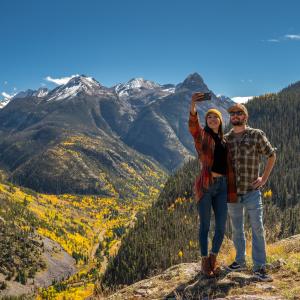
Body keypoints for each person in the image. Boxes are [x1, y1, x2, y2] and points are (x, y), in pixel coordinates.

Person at [224, 103, 276, 282]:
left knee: (257, 228)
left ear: (245, 117)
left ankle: (259, 266)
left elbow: (271, 155)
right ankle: (240, 261)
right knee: (237, 230)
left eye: (239, 113)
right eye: (232, 114)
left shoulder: (256, 135)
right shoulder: (226, 139)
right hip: (232, 193)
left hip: (252, 191)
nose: (235, 116)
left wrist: (264, 178)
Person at [189, 92, 237, 277]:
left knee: (221, 227)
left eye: (215, 116)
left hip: (223, 186)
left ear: (220, 121)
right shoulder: (202, 136)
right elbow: (193, 126)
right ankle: (203, 261)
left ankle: (213, 258)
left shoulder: (225, 141)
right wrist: (193, 104)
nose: (211, 119)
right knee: (205, 226)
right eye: (209, 117)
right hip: (207, 185)